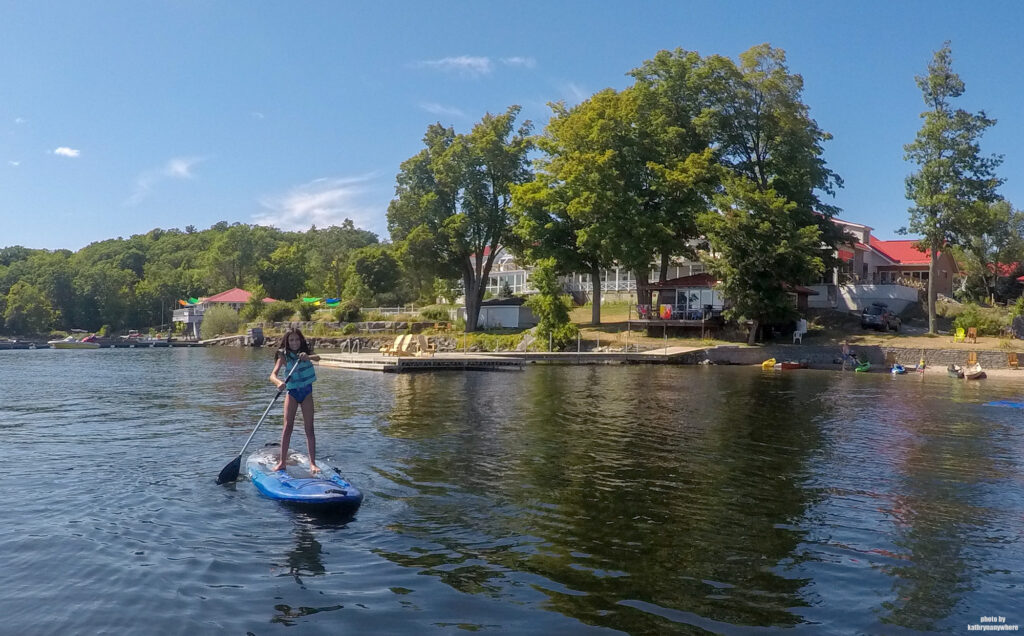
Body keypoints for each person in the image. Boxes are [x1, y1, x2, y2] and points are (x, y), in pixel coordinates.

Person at [269, 328, 321, 473]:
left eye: (297, 339)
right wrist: (278, 382)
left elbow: (318, 358)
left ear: (301, 340)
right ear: (287, 342)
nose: (294, 342)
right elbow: (272, 375)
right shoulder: (283, 356)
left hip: (306, 394)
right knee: (288, 427)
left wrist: (307, 357)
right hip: (292, 394)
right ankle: (282, 462)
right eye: (291, 340)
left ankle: (312, 463)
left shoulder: (306, 352)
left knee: (309, 428)